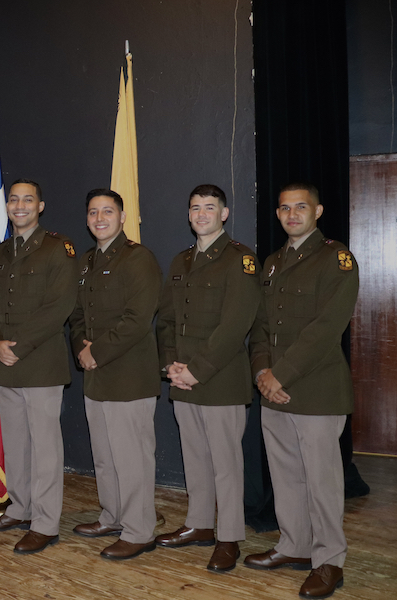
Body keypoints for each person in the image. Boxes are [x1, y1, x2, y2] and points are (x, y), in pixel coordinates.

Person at [247, 183, 358, 599]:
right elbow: (259, 325)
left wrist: (281, 375)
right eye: (285, 208)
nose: (292, 214)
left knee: (321, 481)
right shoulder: (273, 262)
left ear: (318, 211)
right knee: (286, 475)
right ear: (278, 214)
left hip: (315, 390)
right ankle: (295, 546)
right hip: (272, 389)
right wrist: (262, 371)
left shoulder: (336, 259)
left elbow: (326, 329)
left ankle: (329, 560)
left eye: (301, 207)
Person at [154, 184, 259, 572]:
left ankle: (229, 537)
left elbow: (235, 326)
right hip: (182, 379)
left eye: (209, 207)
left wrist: (196, 369)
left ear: (224, 214)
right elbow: (166, 320)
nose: (201, 214)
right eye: (195, 207)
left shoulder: (240, 260)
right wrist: (171, 367)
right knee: (195, 458)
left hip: (220, 380)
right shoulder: (181, 261)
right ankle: (199, 524)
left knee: (225, 464)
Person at [0, 178, 78, 554]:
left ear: (40, 206)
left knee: (45, 447)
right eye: (14, 200)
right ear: (7, 207)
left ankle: (46, 522)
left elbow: (60, 306)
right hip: (5, 362)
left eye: (28, 200)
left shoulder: (57, 248)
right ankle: (20, 508)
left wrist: (17, 346)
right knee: (17, 444)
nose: (20, 206)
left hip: (40, 364)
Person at [68, 189, 163, 560]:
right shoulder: (88, 261)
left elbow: (138, 320)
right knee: (105, 455)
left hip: (128, 376)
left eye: (107, 211)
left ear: (122, 217)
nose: (99, 218)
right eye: (93, 212)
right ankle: (112, 516)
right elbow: (77, 315)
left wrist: (96, 352)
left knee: (133, 458)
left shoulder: (139, 259)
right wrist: (80, 348)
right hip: (96, 376)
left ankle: (139, 530)